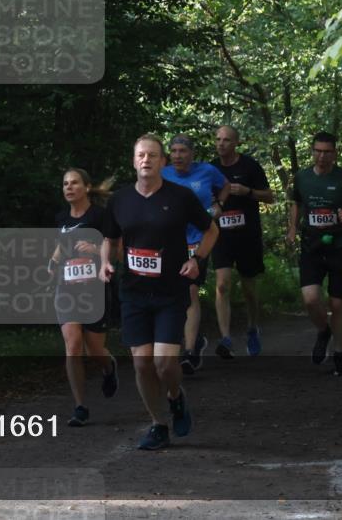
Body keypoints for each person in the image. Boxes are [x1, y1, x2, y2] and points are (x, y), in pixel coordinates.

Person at [100, 135, 218, 450]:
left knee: (165, 364)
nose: (146, 160)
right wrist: (105, 263)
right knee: (141, 364)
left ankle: (176, 398)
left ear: (162, 162)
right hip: (134, 292)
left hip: (170, 292)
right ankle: (158, 424)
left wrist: (197, 260)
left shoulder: (180, 197)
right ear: (133, 160)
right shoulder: (121, 200)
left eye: (153, 155)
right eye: (141, 155)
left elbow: (211, 230)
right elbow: (109, 239)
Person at [285, 131, 342, 377]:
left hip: (340, 246)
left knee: (337, 303)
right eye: (317, 151)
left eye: (327, 151)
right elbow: (296, 204)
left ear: (335, 153)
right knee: (310, 299)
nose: (322, 156)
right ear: (312, 152)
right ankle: (323, 330)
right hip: (311, 245)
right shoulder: (301, 178)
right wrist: (291, 229)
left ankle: (339, 353)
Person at [48, 168, 119, 427]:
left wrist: (96, 248)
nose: (69, 187)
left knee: (95, 349)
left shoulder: (101, 216)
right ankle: (80, 406)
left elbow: (116, 251)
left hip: (94, 291)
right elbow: (61, 245)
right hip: (66, 289)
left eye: (74, 183)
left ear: (87, 187)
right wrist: (53, 263)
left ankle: (108, 366)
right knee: (73, 346)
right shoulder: (61, 218)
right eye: (65, 183)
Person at [161, 134, 229, 374]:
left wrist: (218, 204)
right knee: (173, 293)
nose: (178, 156)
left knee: (190, 289)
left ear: (192, 154)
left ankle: (189, 352)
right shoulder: (163, 173)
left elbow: (226, 186)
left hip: (199, 240)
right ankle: (195, 339)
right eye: (174, 151)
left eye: (182, 151)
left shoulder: (207, 171)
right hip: (170, 242)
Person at [211, 125, 274, 358]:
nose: (221, 144)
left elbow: (269, 197)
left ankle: (252, 327)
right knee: (222, 285)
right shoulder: (211, 168)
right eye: (218, 139)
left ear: (236, 143)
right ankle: (226, 338)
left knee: (248, 287)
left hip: (247, 235)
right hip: (220, 235)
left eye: (227, 140)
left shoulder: (250, 166)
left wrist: (247, 191)